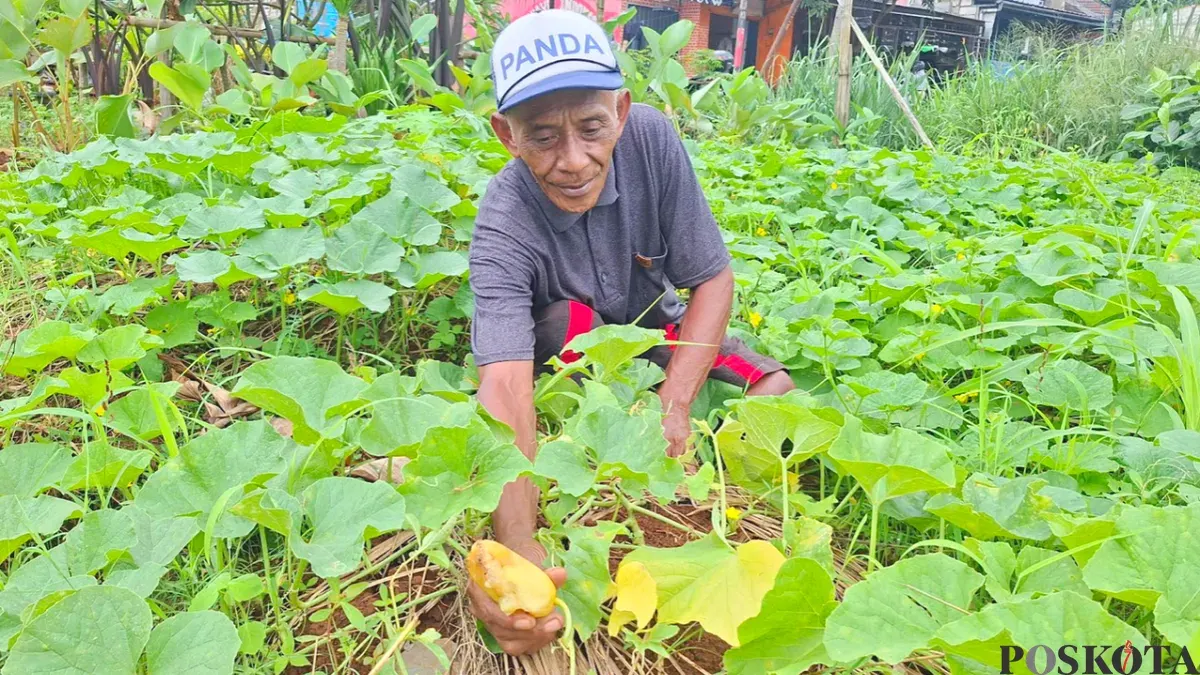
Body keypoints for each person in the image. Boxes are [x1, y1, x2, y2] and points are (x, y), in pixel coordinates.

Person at [464, 9, 795, 656]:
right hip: (569, 348)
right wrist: (517, 542)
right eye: (542, 137)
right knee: (565, 325)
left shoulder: (649, 139)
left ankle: (715, 500)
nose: (573, 160)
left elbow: (714, 281)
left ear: (620, 107)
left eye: (592, 128)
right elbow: (504, 386)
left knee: (773, 389)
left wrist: (673, 405)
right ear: (506, 134)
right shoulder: (502, 221)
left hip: (655, 332)